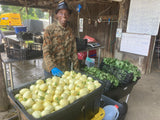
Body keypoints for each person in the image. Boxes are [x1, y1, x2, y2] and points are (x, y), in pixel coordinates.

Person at [42, 1, 79, 79]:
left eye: (66, 13)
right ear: (57, 15)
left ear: (69, 16)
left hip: (65, 69)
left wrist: (77, 70)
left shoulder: (70, 31)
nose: (64, 16)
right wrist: (52, 67)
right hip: (51, 69)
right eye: (61, 13)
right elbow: (46, 51)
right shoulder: (49, 29)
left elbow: (74, 52)